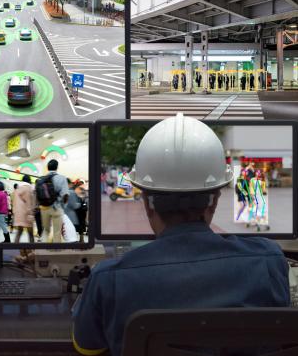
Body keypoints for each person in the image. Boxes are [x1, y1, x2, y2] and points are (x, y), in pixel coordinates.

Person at [72, 114, 291, 356]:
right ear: (214, 201)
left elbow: (87, 349)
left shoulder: (108, 280)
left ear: (147, 202)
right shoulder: (269, 261)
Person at [36, 159, 69, 243]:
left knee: (46, 231)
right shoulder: (62, 178)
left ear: (47, 168)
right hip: (57, 208)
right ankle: (56, 252)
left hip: (44, 208)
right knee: (57, 232)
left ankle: (42, 251)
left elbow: (37, 194)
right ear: (57, 167)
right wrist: (63, 207)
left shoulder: (41, 179)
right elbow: (65, 195)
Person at [11, 175, 35, 243]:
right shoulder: (28, 189)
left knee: (19, 232)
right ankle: (32, 250)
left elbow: (14, 202)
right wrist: (30, 213)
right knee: (30, 234)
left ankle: (14, 249)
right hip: (26, 214)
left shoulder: (17, 189)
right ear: (29, 181)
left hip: (18, 214)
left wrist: (14, 212)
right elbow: (29, 203)